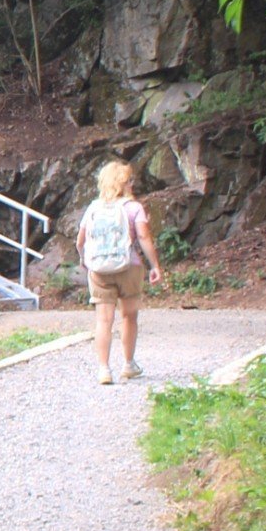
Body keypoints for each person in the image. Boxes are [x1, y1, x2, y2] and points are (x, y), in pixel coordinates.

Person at [79, 160, 162, 384]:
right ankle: (128, 364)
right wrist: (155, 265)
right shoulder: (134, 208)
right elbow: (143, 238)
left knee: (103, 320)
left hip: (99, 269)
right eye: (130, 180)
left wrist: (85, 260)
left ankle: (104, 369)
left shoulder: (93, 208)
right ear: (124, 183)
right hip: (129, 266)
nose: (132, 184)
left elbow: (81, 239)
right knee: (129, 316)